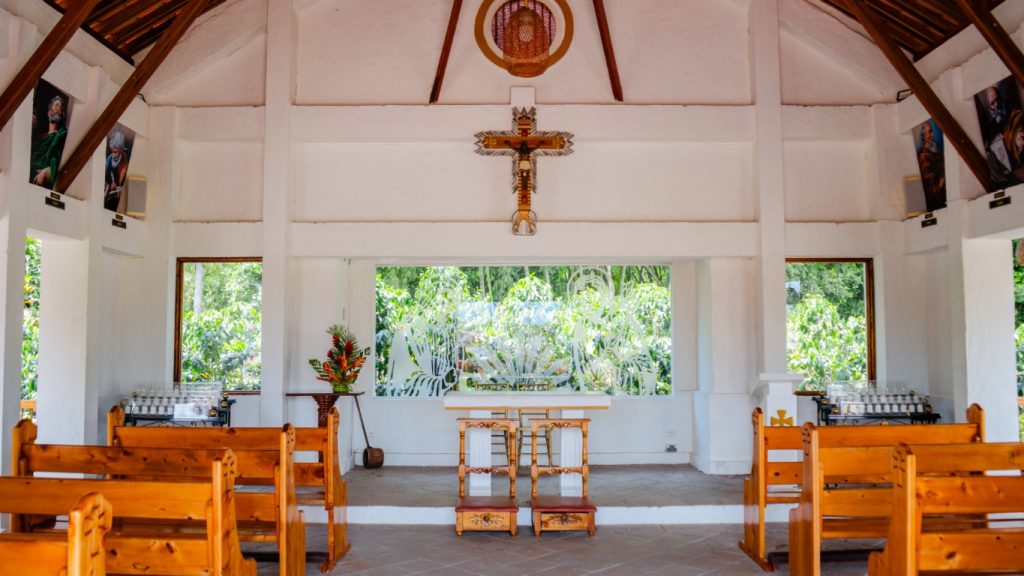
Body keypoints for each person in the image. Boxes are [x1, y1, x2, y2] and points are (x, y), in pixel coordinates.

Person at [29, 94, 68, 189]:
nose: (58, 108)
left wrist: (49, 170)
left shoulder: (62, 134)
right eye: (56, 105)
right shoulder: (39, 137)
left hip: (42, 181)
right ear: (49, 113)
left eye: (60, 107)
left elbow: (60, 159)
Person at [916, 121, 946, 211]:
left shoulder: (935, 151)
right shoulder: (923, 156)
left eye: (931, 131)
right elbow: (930, 182)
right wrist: (942, 181)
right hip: (935, 199)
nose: (932, 135)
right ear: (923, 136)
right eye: (929, 132)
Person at [104, 128, 129, 211]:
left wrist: (121, 188)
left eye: (116, 152)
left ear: (120, 149)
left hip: (121, 197)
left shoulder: (125, 158)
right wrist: (109, 185)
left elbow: (126, 180)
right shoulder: (108, 160)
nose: (113, 154)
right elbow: (104, 178)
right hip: (109, 196)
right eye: (113, 151)